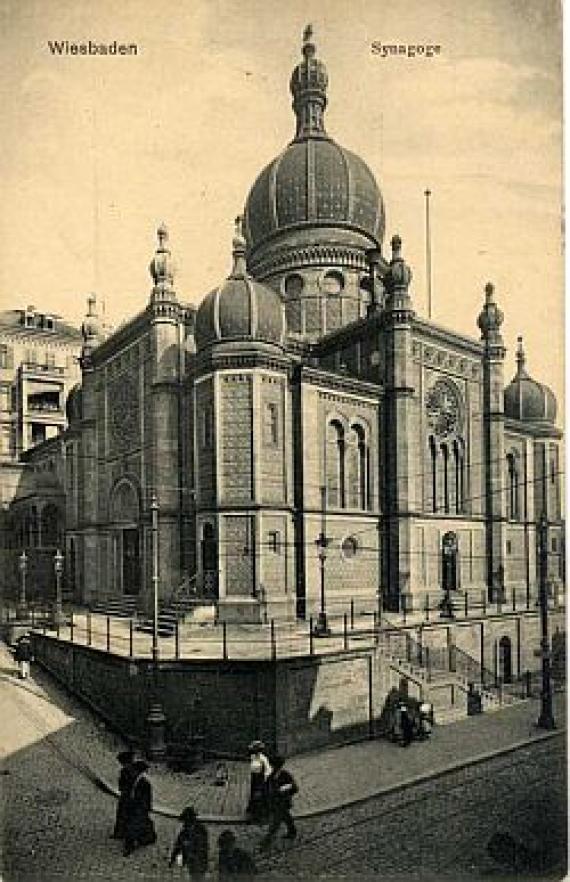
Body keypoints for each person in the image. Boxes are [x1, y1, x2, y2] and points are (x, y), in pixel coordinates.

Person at [261, 755, 298, 848]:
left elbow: (294, 787)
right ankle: (292, 831)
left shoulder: (285, 775)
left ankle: (267, 841)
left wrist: (281, 790)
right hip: (274, 802)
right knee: (286, 816)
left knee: (275, 823)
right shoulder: (271, 775)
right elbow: (267, 787)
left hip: (283, 802)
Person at [123, 760, 156, 857]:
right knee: (139, 824)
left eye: (134, 770)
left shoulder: (145, 782)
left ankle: (129, 846)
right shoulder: (136, 779)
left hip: (140, 808)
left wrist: (143, 809)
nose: (132, 771)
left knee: (133, 826)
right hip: (135, 806)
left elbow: (146, 797)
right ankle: (147, 838)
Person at [169, 806, 209, 881]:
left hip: (199, 862)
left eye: (186, 820)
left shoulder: (200, 830)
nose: (185, 823)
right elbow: (178, 845)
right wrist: (173, 859)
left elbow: (203, 846)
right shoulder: (184, 831)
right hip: (191, 862)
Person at [245, 740, 271, 824]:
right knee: (254, 795)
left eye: (254, 750)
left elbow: (267, 770)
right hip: (254, 778)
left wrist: (264, 781)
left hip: (261, 779)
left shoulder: (263, 759)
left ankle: (259, 817)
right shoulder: (253, 757)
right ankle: (253, 812)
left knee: (259, 797)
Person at [112, 750, 135, 839]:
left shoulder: (126, 771)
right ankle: (122, 832)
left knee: (123, 814)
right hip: (127, 795)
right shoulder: (129, 771)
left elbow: (124, 783)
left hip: (127, 795)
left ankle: (121, 833)